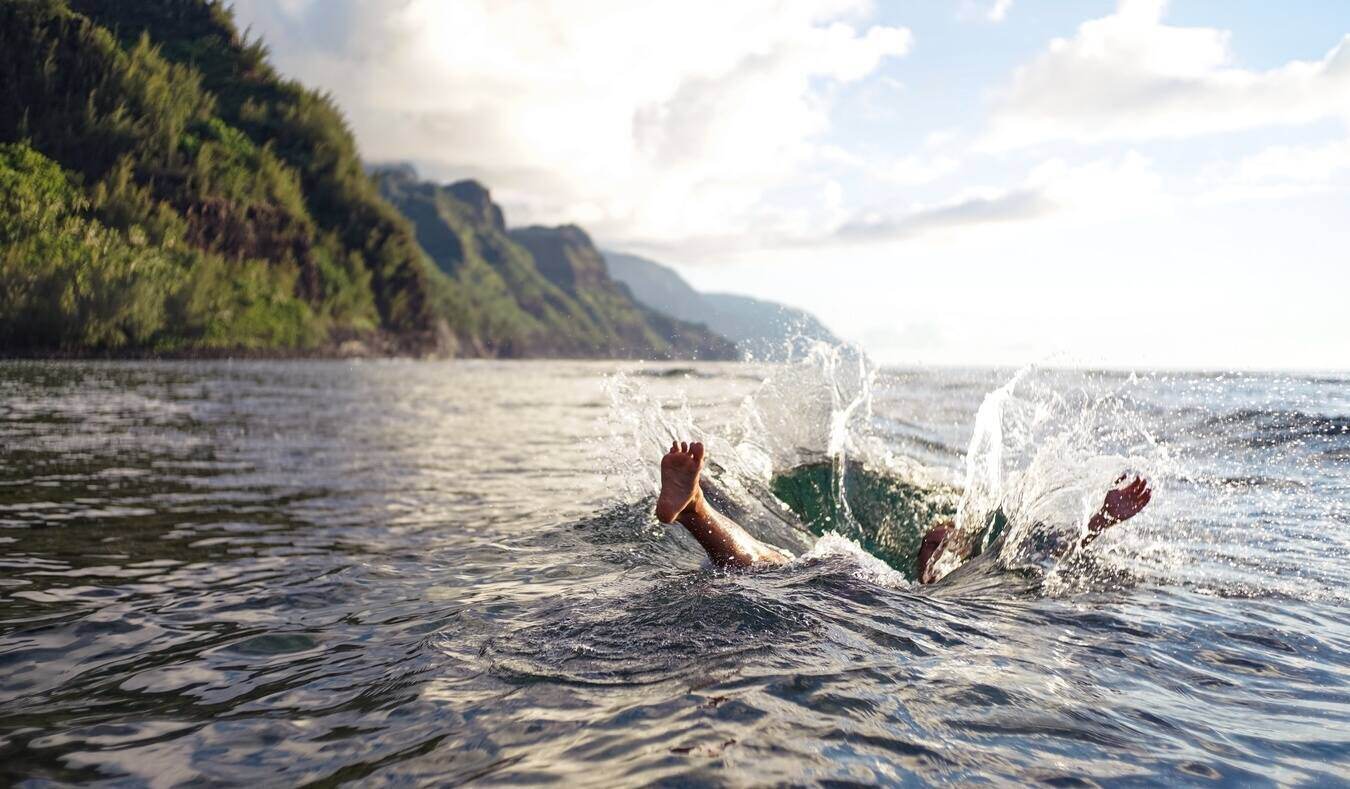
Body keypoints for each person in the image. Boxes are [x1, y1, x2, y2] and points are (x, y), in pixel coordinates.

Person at [655, 441, 1152, 583]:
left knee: (771, 565)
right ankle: (694, 507)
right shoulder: (895, 580)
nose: (930, 543)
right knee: (772, 563)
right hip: (857, 583)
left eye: (941, 543)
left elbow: (1042, 554)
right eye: (929, 540)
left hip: (865, 604)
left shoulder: (974, 583)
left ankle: (696, 508)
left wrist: (1099, 522)